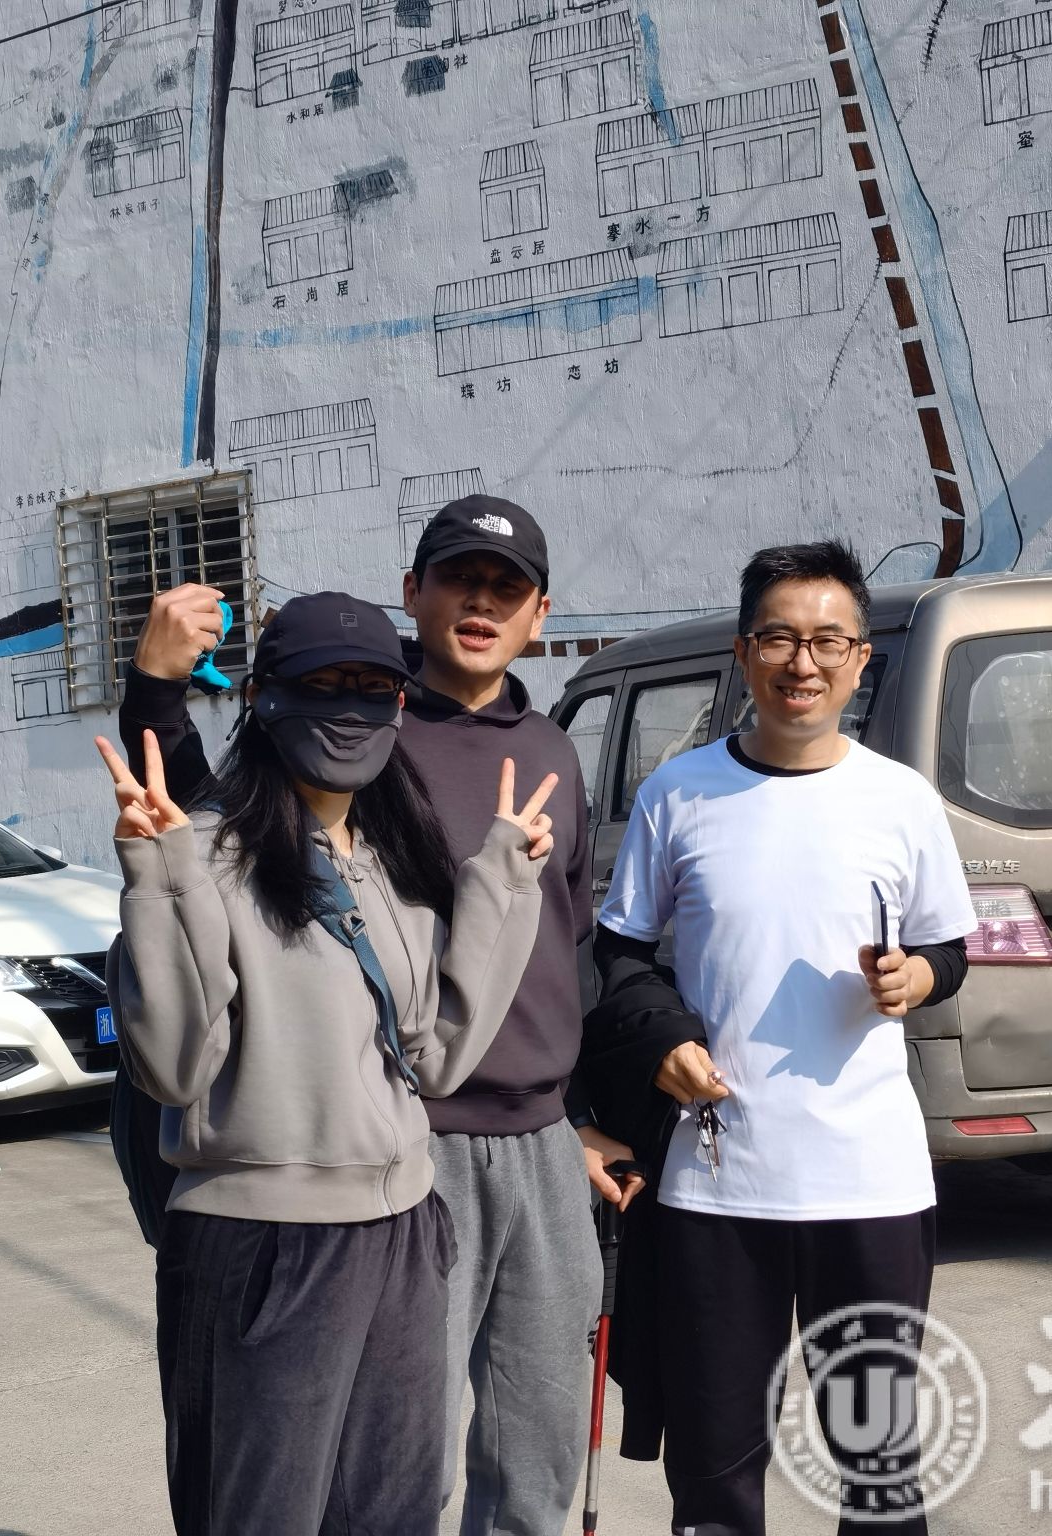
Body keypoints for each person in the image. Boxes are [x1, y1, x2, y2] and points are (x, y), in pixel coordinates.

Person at [117, 496, 641, 1536]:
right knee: (360, 1480)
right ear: (414, 592)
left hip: (524, 1145)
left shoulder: (549, 753)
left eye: (506, 587)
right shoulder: (347, 756)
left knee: (524, 1459)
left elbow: (560, 956)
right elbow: (209, 832)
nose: (481, 602)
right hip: (398, 1149)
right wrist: (157, 688)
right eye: (459, 578)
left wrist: (578, 1115)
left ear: (540, 612)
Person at [587, 539, 978, 1535]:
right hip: (718, 1185)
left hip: (870, 1182)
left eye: (827, 640)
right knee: (713, 1472)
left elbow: (948, 948)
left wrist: (917, 975)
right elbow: (620, 951)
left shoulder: (901, 799)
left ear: (859, 659)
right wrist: (662, 1037)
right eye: (778, 638)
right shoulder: (677, 794)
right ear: (742, 651)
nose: (802, 662)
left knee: (878, 1466)